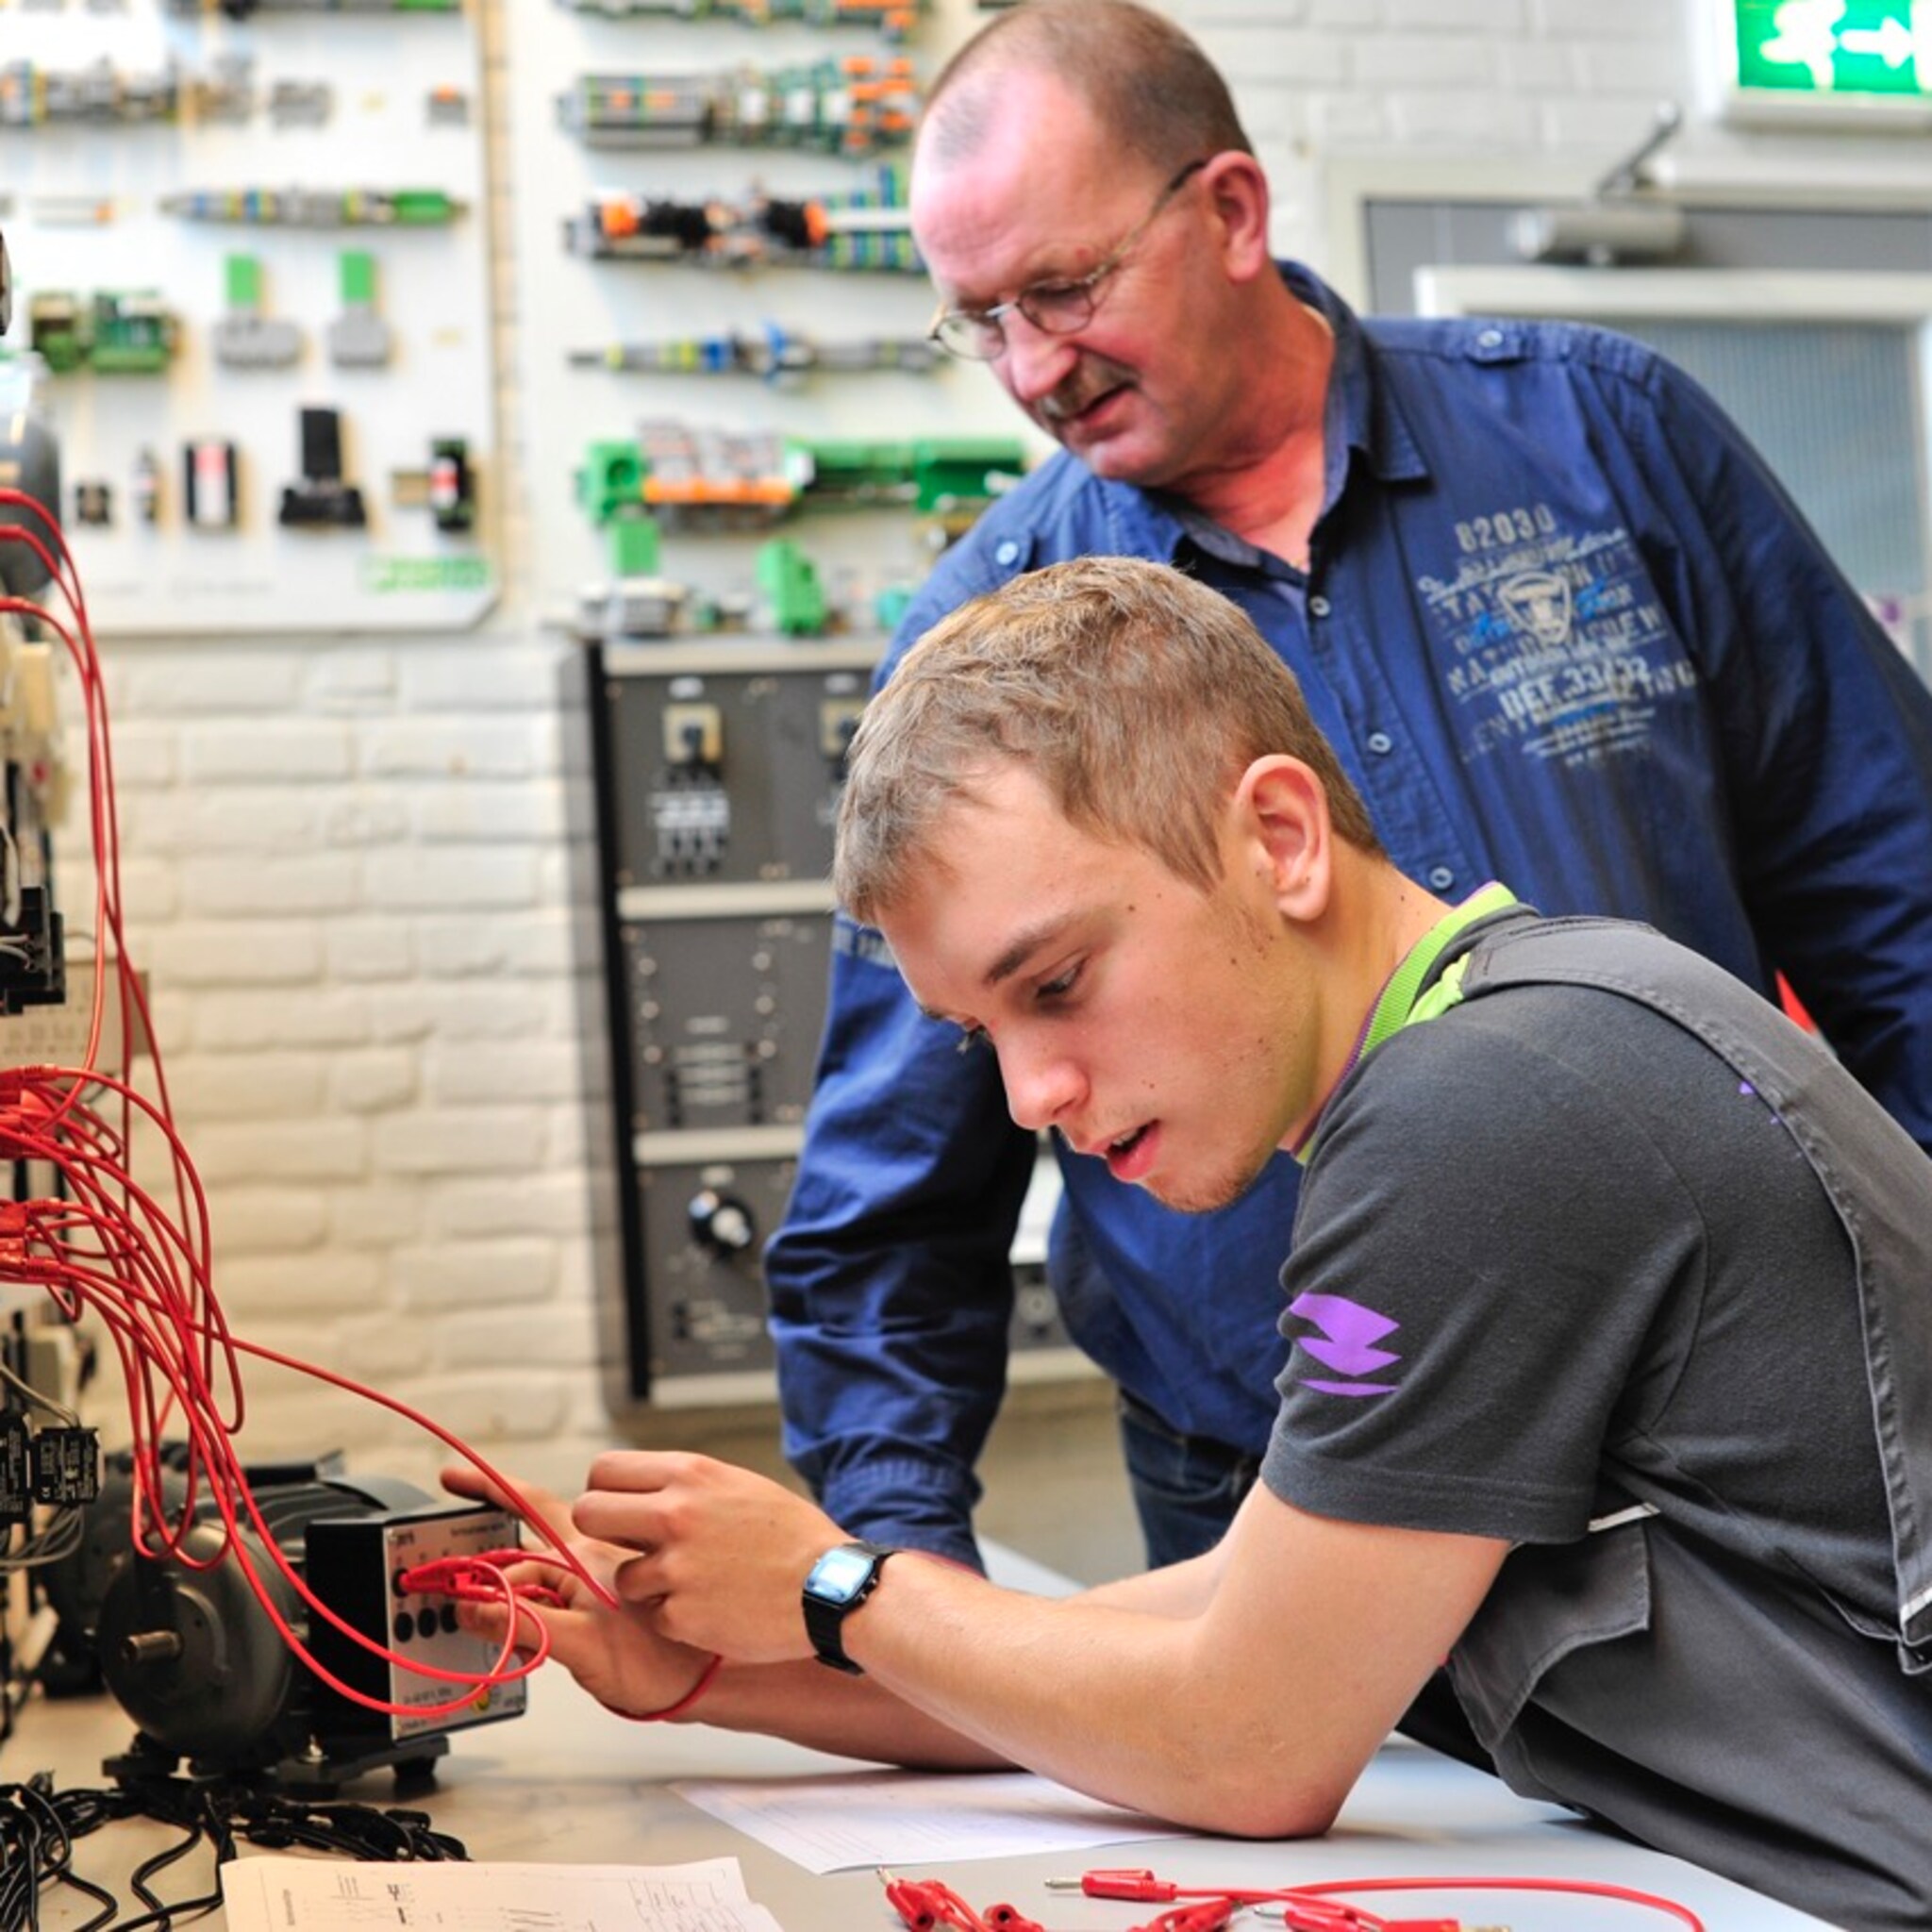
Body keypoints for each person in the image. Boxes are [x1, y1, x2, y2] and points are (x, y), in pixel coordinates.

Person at [458, 558, 1932, 1930]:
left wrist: (835, 1590)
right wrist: (734, 1669)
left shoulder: (1480, 1113)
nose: (1032, 1095)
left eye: (1059, 983)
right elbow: (1204, 1628)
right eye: (984, 1034)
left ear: (1279, 839)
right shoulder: (1529, 1026)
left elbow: (1250, 1740)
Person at [763, 0, 1932, 1576]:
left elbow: (1897, 907)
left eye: (1065, 288)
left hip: (1704, 1450)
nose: (1033, 366)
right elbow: (895, 1182)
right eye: (980, 321)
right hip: (1280, 1486)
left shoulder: (1602, 439)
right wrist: (897, 1597)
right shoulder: (992, 638)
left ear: (1231, 209)